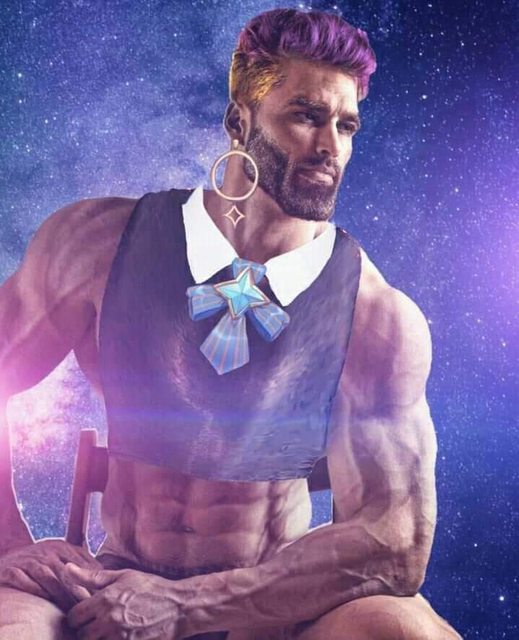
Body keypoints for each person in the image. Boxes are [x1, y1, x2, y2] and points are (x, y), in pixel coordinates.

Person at [0, 8, 463, 640]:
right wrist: (7, 542)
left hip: (274, 601)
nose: (330, 146)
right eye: (306, 116)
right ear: (238, 121)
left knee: (404, 633)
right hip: (108, 583)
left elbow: (396, 540)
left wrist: (187, 607)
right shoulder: (93, 247)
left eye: (346, 125)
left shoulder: (379, 319)